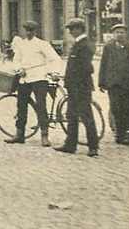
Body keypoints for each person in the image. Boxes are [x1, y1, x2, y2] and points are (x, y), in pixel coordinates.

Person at [3, 21, 63, 147]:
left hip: (39, 78)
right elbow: (16, 60)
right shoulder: (21, 45)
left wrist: (53, 72)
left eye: (31, 30)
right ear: (24, 31)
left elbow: (55, 59)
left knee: (41, 106)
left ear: (35, 31)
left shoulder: (42, 44)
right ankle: (19, 134)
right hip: (24, 79)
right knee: (21, 106)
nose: (29, 33)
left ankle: (44, 135)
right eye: (27, 30)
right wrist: (19, 69)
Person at [55, 18, 99, 157]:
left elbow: (86, 68)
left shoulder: (84, 44)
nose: (70, 32)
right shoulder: (78, 43)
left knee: (86, 116)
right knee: (71, 116)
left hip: (80, 87)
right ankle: (70, 145)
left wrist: (74, 82)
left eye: (72, 29)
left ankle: (93, 147)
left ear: (79, 29)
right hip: (75, 87)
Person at [99, 23, 129, 145]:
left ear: (126, 34)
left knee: (127, 109)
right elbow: (104, 64)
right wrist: (102, 82)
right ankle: (120, 133)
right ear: (113, 34)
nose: (119, 35)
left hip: (128, 85)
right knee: (116, 109)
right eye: (117, 32)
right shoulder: (108, 47)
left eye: (122, 32)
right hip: (113, 84)